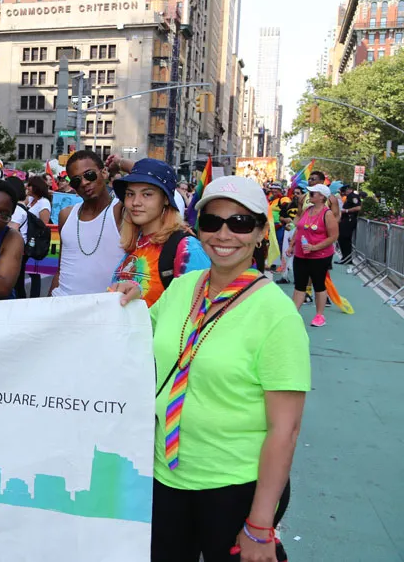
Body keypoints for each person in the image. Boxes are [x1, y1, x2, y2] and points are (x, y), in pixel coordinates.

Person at [112, 175, 309, 562]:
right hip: (164, 478)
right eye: (212, 221)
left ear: (260, 233)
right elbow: (136, 342)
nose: (224, 234)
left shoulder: (277, 315)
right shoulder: (182, 288)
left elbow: (285, 430)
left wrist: (260, 523)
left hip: (234, 486)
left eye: (240, 223)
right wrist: (127, 304)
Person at [110, 159, 210, 307]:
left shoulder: (186, 247)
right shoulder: (135, 242)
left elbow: (200, 309)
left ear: (165, 199)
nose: (135, 202)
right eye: (130, 194)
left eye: (147, 194)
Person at [50, 151, 126, 296]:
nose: (84, 183)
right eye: (76, 181)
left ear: (104, 173)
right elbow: (61, 270)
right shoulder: (66, 215)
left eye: (89, 175)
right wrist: (49, 303)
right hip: (62, 302)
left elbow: (156, 179)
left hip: (105, 306)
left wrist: (120, 163)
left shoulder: (120, 211)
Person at [288, 184, 338, 327]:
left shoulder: (327, 214)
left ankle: (319, 316)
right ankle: (293, 314)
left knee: (318, 284)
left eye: (312, 193)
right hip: (301, 254)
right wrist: (291, 245)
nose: (309, 196)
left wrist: (314, 247)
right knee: (299, 285)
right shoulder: (307, 210)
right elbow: (299, 229)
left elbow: (333, 236)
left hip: (319, 256)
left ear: (322, 197)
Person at [336, 183, 362, 264]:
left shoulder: (353, 196)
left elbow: (358, 207)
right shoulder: (349, 197)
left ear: (349, 189)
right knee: (342, 239)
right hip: (346, 219)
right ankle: (345, 258)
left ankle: (347, 258)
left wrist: (346, 211)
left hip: (349, 219)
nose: (343, 192)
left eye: (344, 190)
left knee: (344, 238)